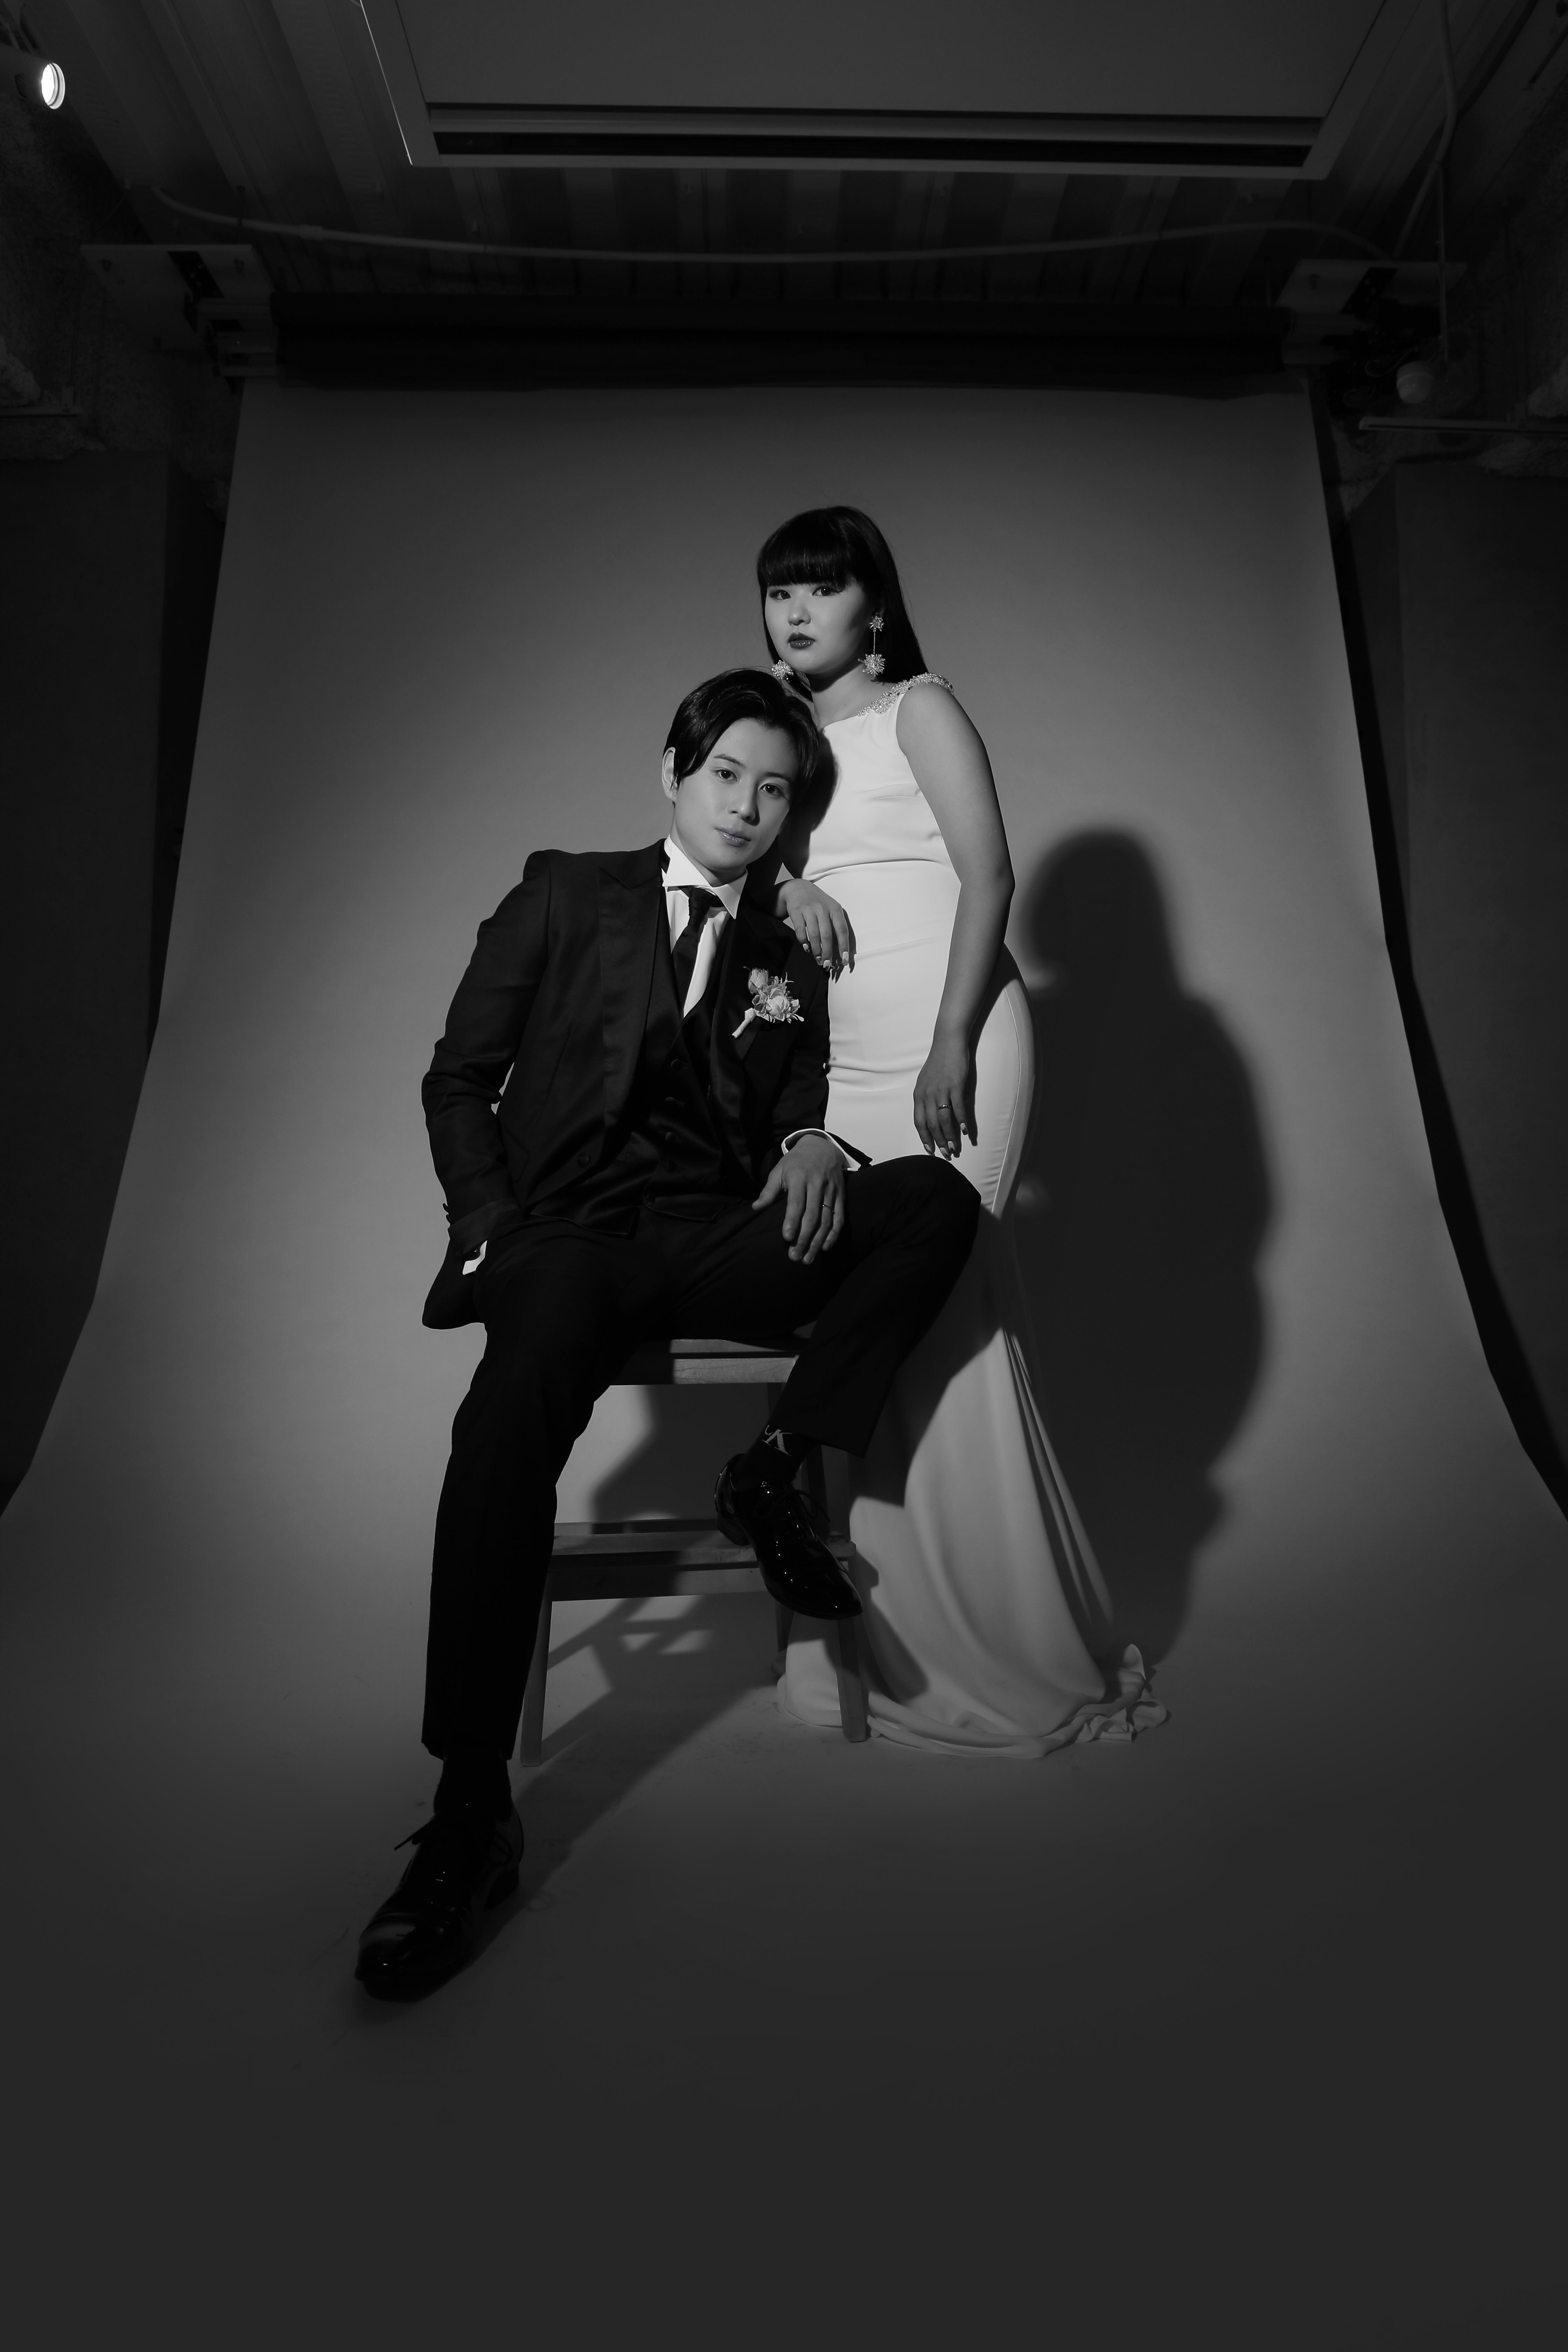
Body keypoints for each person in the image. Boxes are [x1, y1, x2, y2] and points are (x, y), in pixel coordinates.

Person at [356, 668, 978, 1999]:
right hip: (569, 1240)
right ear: (673, 774)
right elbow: (457, 1078)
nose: (746, 808)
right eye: (725, 778)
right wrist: (494, 1231)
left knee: (933, 1201)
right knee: (510, 1406)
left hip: (714, 1236)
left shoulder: (786, 948)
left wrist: (812, 1140)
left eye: (775, 790)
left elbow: (798, 1081)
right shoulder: (565, 893)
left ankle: (777, 1465)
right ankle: (469, 1807)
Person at [758, 506, 1166, 1753]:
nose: (797, 610)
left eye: (822, 587)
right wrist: (791, 880)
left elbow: (989, 875)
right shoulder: (780, 734)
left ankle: (998, 1635)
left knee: (955, 1314)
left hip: (959, 1038)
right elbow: (737, 850)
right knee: (860, 1315)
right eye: (779, 590)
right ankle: (871, 1638)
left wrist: (949, 1039)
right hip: (839, 1069)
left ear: (874, 605)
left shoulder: (919, 707)